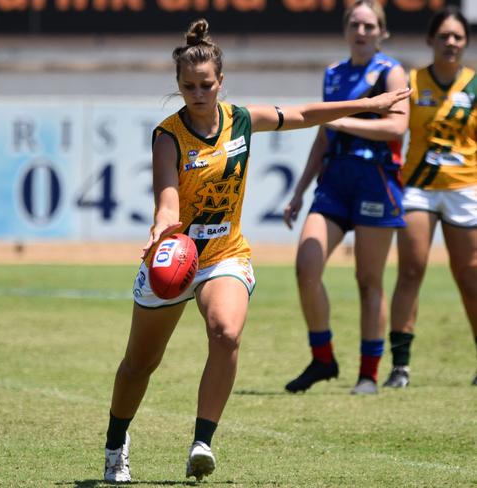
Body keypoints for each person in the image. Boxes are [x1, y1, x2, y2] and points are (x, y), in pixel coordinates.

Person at [102, 17, 409, 483]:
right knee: (140, 363)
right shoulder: (168, 135)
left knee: (225, 332)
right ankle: (115, 443)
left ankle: (202, 442)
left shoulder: (241, 119)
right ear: (178, 86)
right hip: (176, 255)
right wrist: (162, 227)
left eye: (206, 85)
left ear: (221, 83)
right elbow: (167, 198)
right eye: (188, 86)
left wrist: (369, 103)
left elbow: (305, 115)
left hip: (226, 253)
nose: (198, 93)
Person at [282, 0, 410, 395]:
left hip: (374, 180)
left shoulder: (391, 71)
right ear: (345, 29)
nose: (361, 31)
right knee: (307, 265)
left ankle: (369, 373)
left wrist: (342, 120)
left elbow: (397, 127)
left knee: (368, 280)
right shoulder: (334, 74)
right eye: (355, 23)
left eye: (369, 25)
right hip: (334, 182)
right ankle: (323, 359)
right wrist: (300, 189)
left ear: (382, 32)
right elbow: (323, 135)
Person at [384, 7, 477, 388]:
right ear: (431, 41)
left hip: (464, 189)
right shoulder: (411, 80)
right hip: (419, 189)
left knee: (470, 277)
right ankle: (400, 367)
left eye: (458, 36)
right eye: (444, 36)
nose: (451, 43)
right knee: (410, 271)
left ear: (466, 42)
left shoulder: (474, 86)